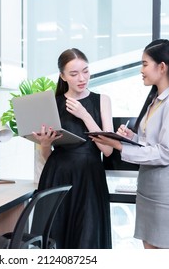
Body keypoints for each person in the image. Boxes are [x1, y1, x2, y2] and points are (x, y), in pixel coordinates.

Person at [91, 39, 169, 249]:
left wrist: (121, 147)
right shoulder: (156, 100)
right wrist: (131, 138)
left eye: (145, 64)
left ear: (162, 67)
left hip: (167, 192)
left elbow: (165, 153)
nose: (141, 70)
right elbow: (151, 143)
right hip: (148, 188)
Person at [33, 48, 114, 249]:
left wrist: (85, 115)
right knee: (54, 238)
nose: (82, 78)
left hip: (89, 178)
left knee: (87, 239)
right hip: (57, 176)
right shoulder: (52, 103)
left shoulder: (102, 100)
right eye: (74, 74)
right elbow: (46, 155)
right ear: (62, 76)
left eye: (85, 71)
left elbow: (108, 150)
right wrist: (44, 144)